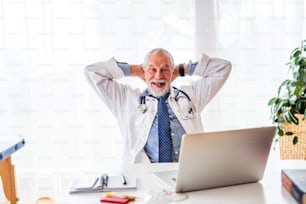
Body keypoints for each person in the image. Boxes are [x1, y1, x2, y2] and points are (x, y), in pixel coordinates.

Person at [84, 48, 231, 164]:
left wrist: (182, 70)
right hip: (146, 174)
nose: (158, 76)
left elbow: (223, 68)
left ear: (172, 72)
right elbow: (92, 72)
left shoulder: (191, 95)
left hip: (188, 171)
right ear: (144, 72)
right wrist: (135, 70)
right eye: (152, 69)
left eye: (165, 69)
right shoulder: (125, 99)